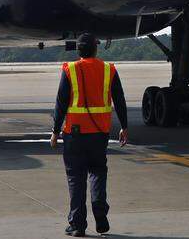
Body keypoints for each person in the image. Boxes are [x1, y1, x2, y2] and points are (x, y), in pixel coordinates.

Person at [51, 33, 129, 237]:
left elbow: (61, 103)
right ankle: (100, 215)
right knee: (98, 173)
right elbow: (119, 99)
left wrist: (55, 131)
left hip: (74, 135)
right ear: (96, 48)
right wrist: (124, 126)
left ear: (78, 50)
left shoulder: (70, 70)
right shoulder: (108, 70)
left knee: (76, 179)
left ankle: (77, 225)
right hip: (99, 133)